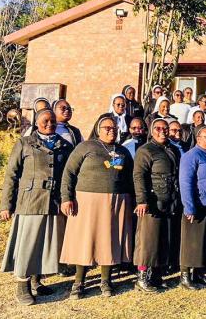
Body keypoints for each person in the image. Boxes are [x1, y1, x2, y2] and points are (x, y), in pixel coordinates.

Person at [1, 109, 73, 305]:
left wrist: (66, 198)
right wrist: (6, 204)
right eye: (45, 121)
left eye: (52, 121)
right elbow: (11, 175)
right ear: (37, 122)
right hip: (30, 201)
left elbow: (68, 177)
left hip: (53, 202)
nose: (49, 124)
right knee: (29, 244)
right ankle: (22, 285)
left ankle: (36, 280)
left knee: (45, 244)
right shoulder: (24, 143)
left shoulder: (65, 146)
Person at [60, 116, 134, 299]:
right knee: (85, 241)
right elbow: (69, 173)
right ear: (98, 129)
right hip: (86, 202)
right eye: (107, 127)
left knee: (109, 241)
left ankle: (106, 280)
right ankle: (79, 282)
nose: (111, 130)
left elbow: (131, 178)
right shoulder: (86, 147)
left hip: (116, 202)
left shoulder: (123, 151)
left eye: (114, 128)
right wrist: (66, 198)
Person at [133, 118, 181, 292]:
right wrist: (142, 200)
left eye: (165, 128)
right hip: (152, 202)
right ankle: (142, 277)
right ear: (152, 131)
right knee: (147, 241)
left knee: (162, 240)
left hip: (169, 201)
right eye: (158, 128)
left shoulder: (173, 149)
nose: (163, 131)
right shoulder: (145, 150)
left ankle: (155, 275)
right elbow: (139, 176)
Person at [179, 127, 206, 290]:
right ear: (198, 138)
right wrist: (189, 207)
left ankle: (199, 273)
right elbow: (186, 182)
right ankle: (185, 276)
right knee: (191, 242)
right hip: (197, 206)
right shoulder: (191, 156)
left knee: (204, 242)